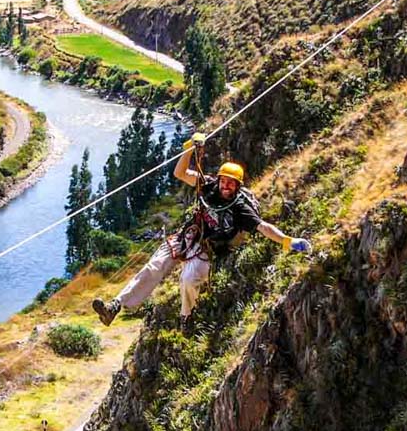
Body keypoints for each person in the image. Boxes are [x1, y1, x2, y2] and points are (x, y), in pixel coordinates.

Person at [92, 133, 311, 327]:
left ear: (237, 187)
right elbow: (180, 173)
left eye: (231, 184)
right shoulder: (207, 184)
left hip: (210, 247)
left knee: (188, 279)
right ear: (219, 180)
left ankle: (186, 316)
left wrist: (286, 241)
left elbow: (263, 227)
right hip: (190, 235)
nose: (226, 187)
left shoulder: (240, 207)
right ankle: (115, 306)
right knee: (154, 266)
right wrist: (189, 148)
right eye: (224, 182)